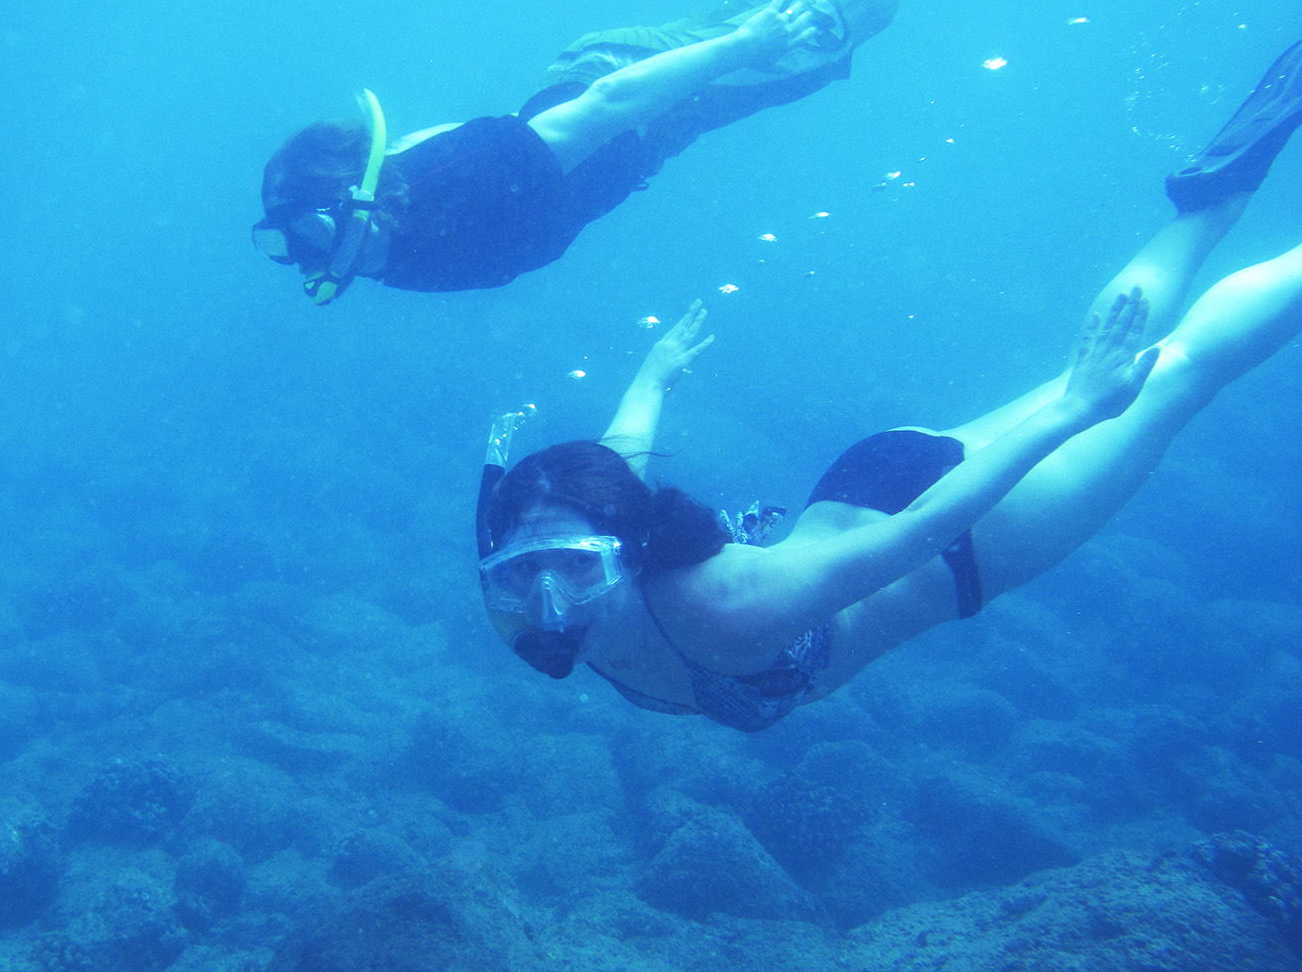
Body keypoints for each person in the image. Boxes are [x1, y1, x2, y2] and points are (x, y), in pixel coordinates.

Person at [475, 40, 1302, 731]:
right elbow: (618, 465)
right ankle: (1212, 201)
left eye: (575, 571)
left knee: (1182, 371)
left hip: (960, 537)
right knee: (1104, 359)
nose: (549, 604)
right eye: (519, 574)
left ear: (624, 551)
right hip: (863, 486)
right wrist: (655, 375)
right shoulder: (567, 560)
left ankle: (1209, 250)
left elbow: (916, 536)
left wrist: (1073, 413)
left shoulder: (734, 610)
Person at [253, 0, 909, 303]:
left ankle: (752, 31)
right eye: (295, 249)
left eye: (317, 232)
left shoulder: (458, 179)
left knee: (867, 9)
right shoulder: (396, 236)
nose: (317, 259)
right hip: (639, 112)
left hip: (643, 90)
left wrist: (740, 50)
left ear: (354, 195)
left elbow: (607, 104)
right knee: (764, 6)